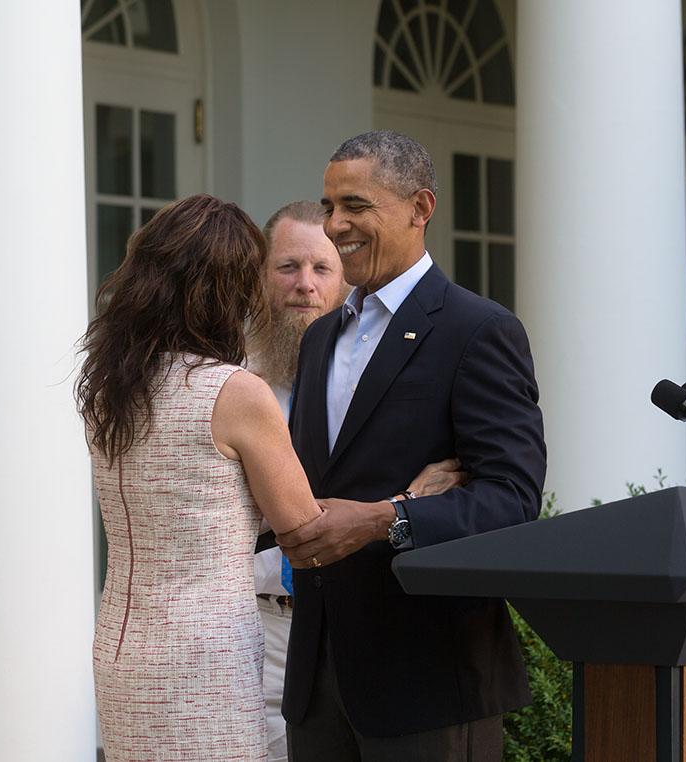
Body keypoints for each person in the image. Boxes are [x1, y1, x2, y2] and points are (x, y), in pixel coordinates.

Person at [276, 131, 547, 760]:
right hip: (317, 683)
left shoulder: (479, 330)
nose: (335, 225)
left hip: (430, 679)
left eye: (356, 206)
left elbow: (512, 500)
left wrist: (386, 519)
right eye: (328, 207)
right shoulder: (318, 341)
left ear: (420, 208)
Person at [77, 194, 326, 762]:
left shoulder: (111, 387)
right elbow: (305, 530)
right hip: (205, 655)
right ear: (228, 290)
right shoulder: (235, 390)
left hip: (121, 640)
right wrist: (412, 499)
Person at [248, 200, 468, 762]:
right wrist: (403, 503)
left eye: (321, 269)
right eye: (288, 267)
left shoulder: (388, 370)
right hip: (255, 631)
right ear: (260, 278)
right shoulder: (232, 383)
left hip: (365, 635)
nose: (305, 285)